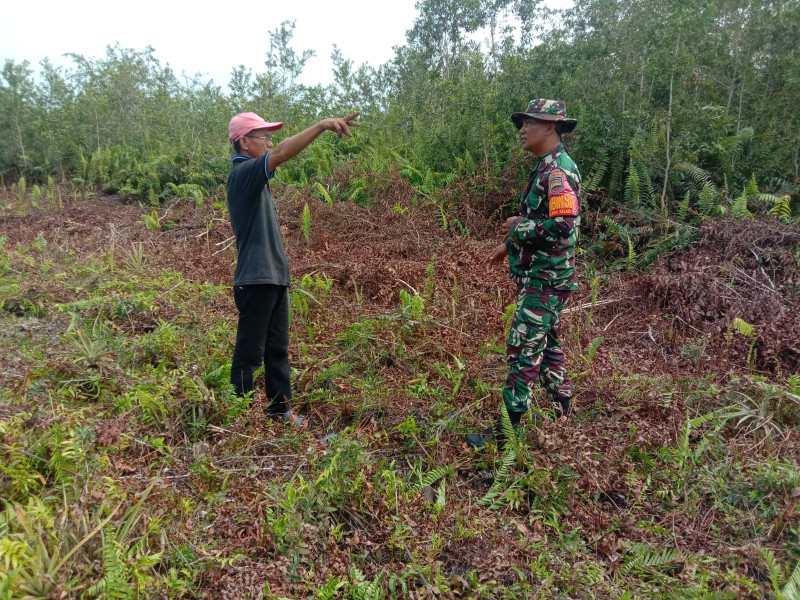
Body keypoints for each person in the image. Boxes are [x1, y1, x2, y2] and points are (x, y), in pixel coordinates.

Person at [227, 110, 360, 430]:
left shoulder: (256, 179)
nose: (269, 142)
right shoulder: (242, 174)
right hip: (255, 279)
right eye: (263, 137)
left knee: (277, 350)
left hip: (273, 278)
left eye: (269, 137)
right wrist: (321, 125)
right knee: (249, 353)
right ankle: (239, 420)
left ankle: (280, 411)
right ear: (244, 142)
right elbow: (283, 152)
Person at [465, 99, 580, 449]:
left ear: (550, 127)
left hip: (546, 280)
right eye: (522, 123)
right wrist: (508, 245)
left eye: (530, 122)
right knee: (547, 344)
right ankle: (562, 411)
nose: (522, 129)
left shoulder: (557, 172)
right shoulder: (545, 167)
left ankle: (507, 430)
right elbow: (541, 221)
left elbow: (562, 226)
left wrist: (517, 227)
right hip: (544, 277)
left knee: (523, 349)